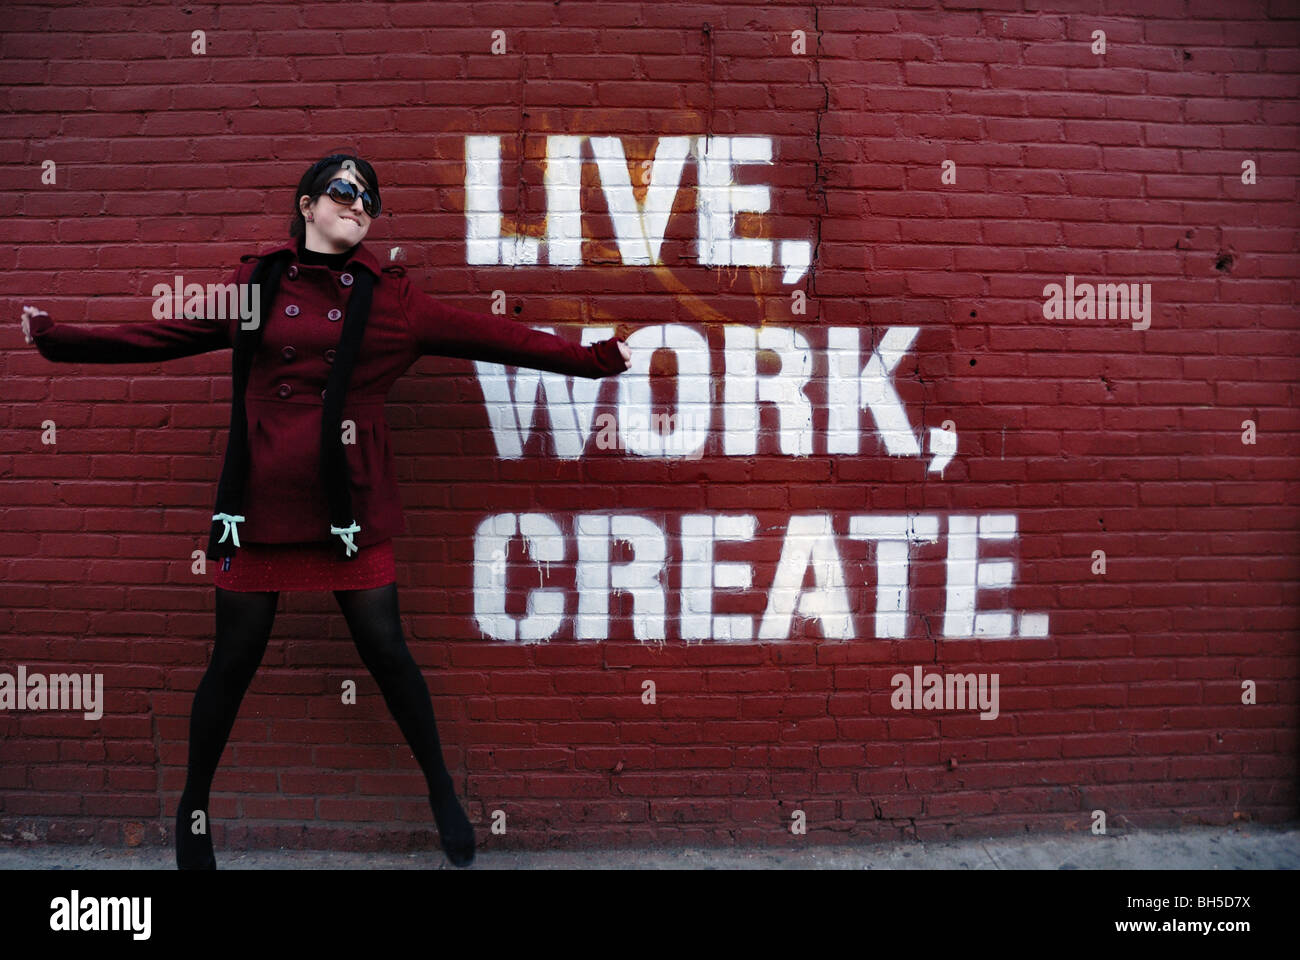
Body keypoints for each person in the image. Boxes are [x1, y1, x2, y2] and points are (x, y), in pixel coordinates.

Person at [20, 153, 632, 869]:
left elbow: (490, 337)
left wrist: (588, 359)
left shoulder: (393, 299)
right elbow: (167, 337)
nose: (359, 203)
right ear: (307, 205)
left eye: (369, 198)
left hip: (349, 502)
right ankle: (193, 809)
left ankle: (441, 791)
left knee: (387, 651)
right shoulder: (257, 282)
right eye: (344, 191)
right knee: (233, 661)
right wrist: (59, 340)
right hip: (258, 499)